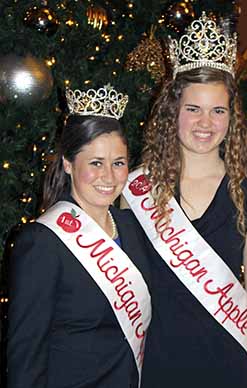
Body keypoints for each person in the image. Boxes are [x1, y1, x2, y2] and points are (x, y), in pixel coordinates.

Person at [122, 12, 247, 388]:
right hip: (158, 364)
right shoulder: (137, 188)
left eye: (217, 110)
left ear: (231, 116)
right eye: (193, 109)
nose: (205, 123)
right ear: (173, 110)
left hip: (229, 363)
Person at [7, 85, 151, 388]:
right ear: (68, 164)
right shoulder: (42, 242)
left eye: (119, 163)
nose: (109, 177)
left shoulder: (133, 230)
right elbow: (26, 354)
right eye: (96, 163)